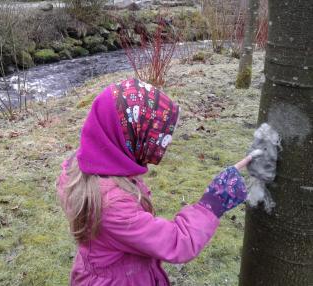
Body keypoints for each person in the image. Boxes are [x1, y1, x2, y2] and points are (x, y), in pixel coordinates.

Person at [57, 78, 254, 286]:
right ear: (128, 136)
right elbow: (178, 242)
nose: (160, 147)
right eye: (153, 138)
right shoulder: (113, 206)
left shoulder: (86, 168)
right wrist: (212, 203)